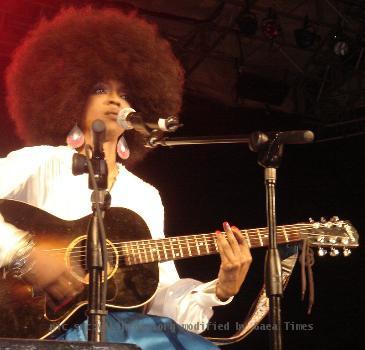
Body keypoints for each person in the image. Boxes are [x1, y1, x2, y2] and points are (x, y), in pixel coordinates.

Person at [0, 6, 252, 349]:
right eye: (101, 87)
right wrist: (26, 252)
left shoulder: (144, 196)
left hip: (118, 335)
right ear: (72, 95)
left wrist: (220, 290)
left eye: (126, 92)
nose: (116, 98)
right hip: (32, 330)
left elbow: (162, 301)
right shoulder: (39, 163)